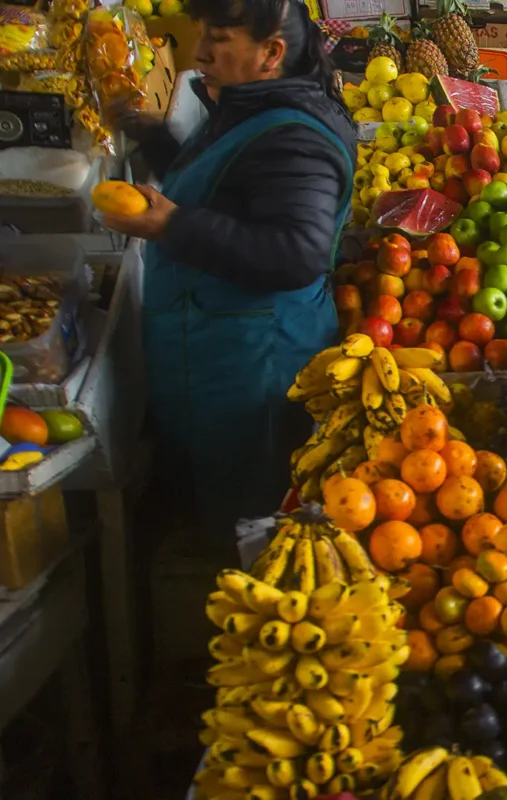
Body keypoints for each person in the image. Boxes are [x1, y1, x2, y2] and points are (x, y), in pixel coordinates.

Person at [102, 0, 354, 538]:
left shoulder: (294, 140)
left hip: (253, 362)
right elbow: (224, 186)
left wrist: (174, 227)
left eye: (217, 38)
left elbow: (298, 252)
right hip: (217, 349)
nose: (198, 53)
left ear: (271, 53)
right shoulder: (246, 107)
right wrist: (149, 133)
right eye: (200, 33)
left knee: (247, 522)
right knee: (213, 498)